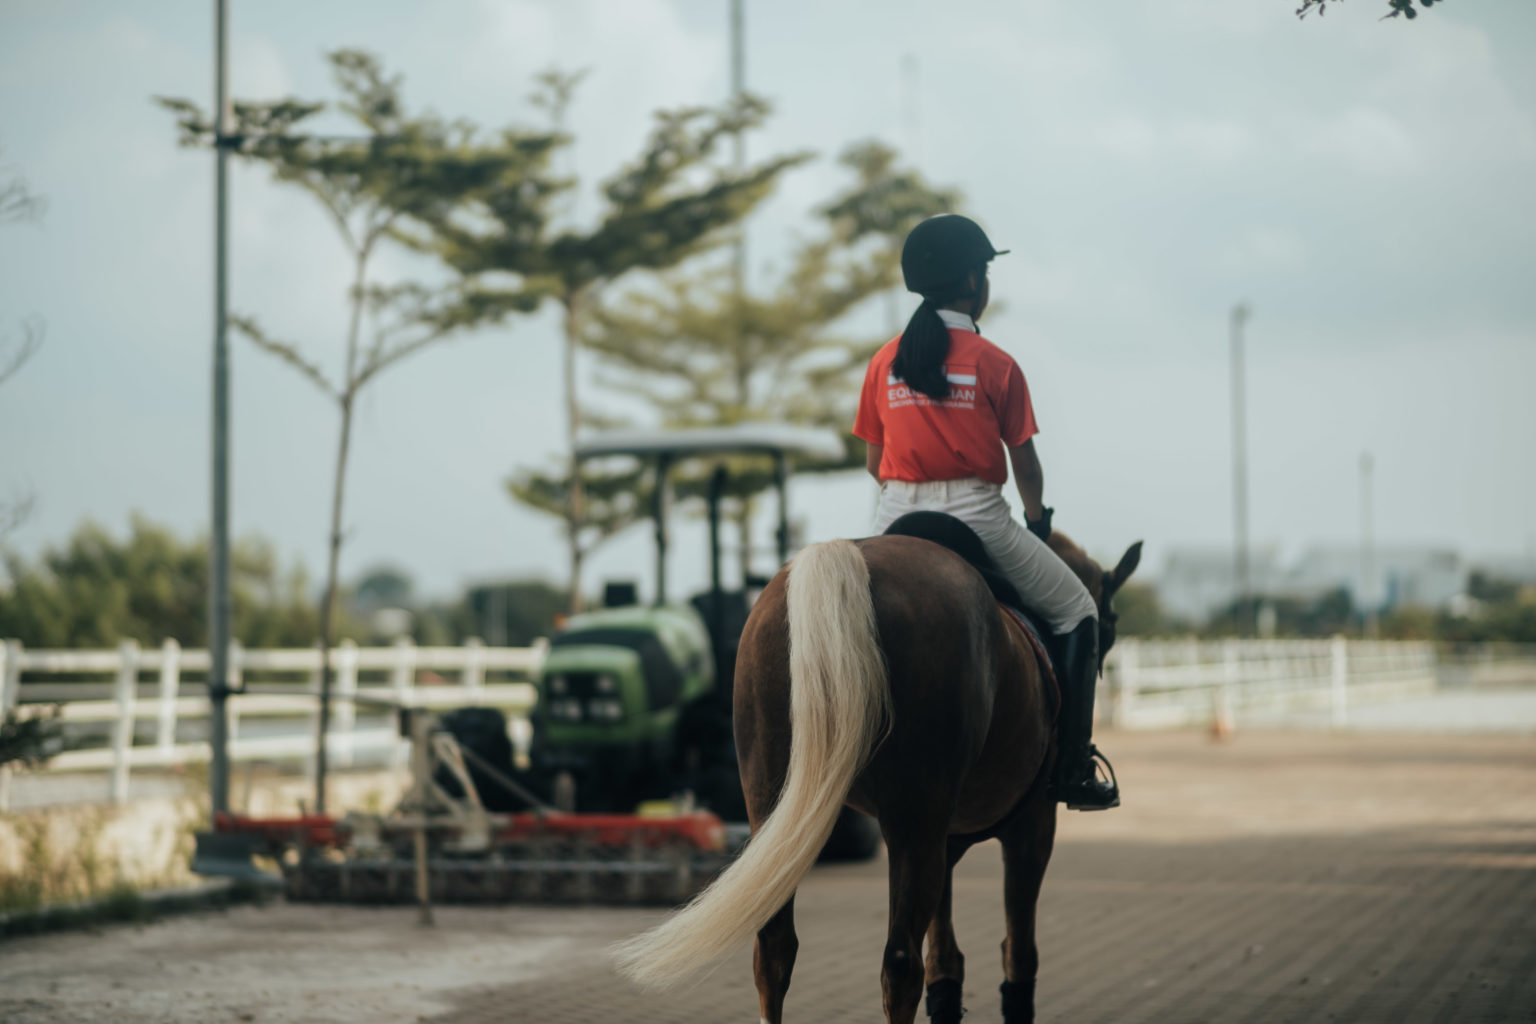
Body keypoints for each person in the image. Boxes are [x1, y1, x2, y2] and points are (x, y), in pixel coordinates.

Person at [852, 213, 1119, 811]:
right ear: (973, 281)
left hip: (894, 513)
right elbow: (1027, 467)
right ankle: (1074, 767)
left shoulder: (883, 362)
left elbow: (874, 462)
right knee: (1078, 610)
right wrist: (1038, 521)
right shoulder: (995, 363)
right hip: (976, 513)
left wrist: (910, 490)